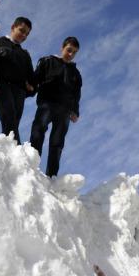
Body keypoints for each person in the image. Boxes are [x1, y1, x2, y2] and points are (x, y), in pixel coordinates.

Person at [30, 37, 82, 178]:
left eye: (74, 52)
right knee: (38, 131)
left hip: (64, 110)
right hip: (47, 103)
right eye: (69, 50)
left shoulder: (76, 74)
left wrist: (75, 111)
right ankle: (31, 166)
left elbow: (76, 94)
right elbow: (36, 78)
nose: (71, 54)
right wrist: (30, 88)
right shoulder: (48, 61)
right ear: (62, 47)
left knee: (57, 143)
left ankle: (51, 176)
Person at [0, 17, 35, 142]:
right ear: (13, 27)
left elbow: (31, 77)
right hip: (2, 85)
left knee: (14, 121)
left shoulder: (25, 54)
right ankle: (16, 149)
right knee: (9, 116)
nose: (24, 35)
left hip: (19, 91)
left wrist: (31, 87)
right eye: (22, 30)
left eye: (27, 34)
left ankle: (8, 149)